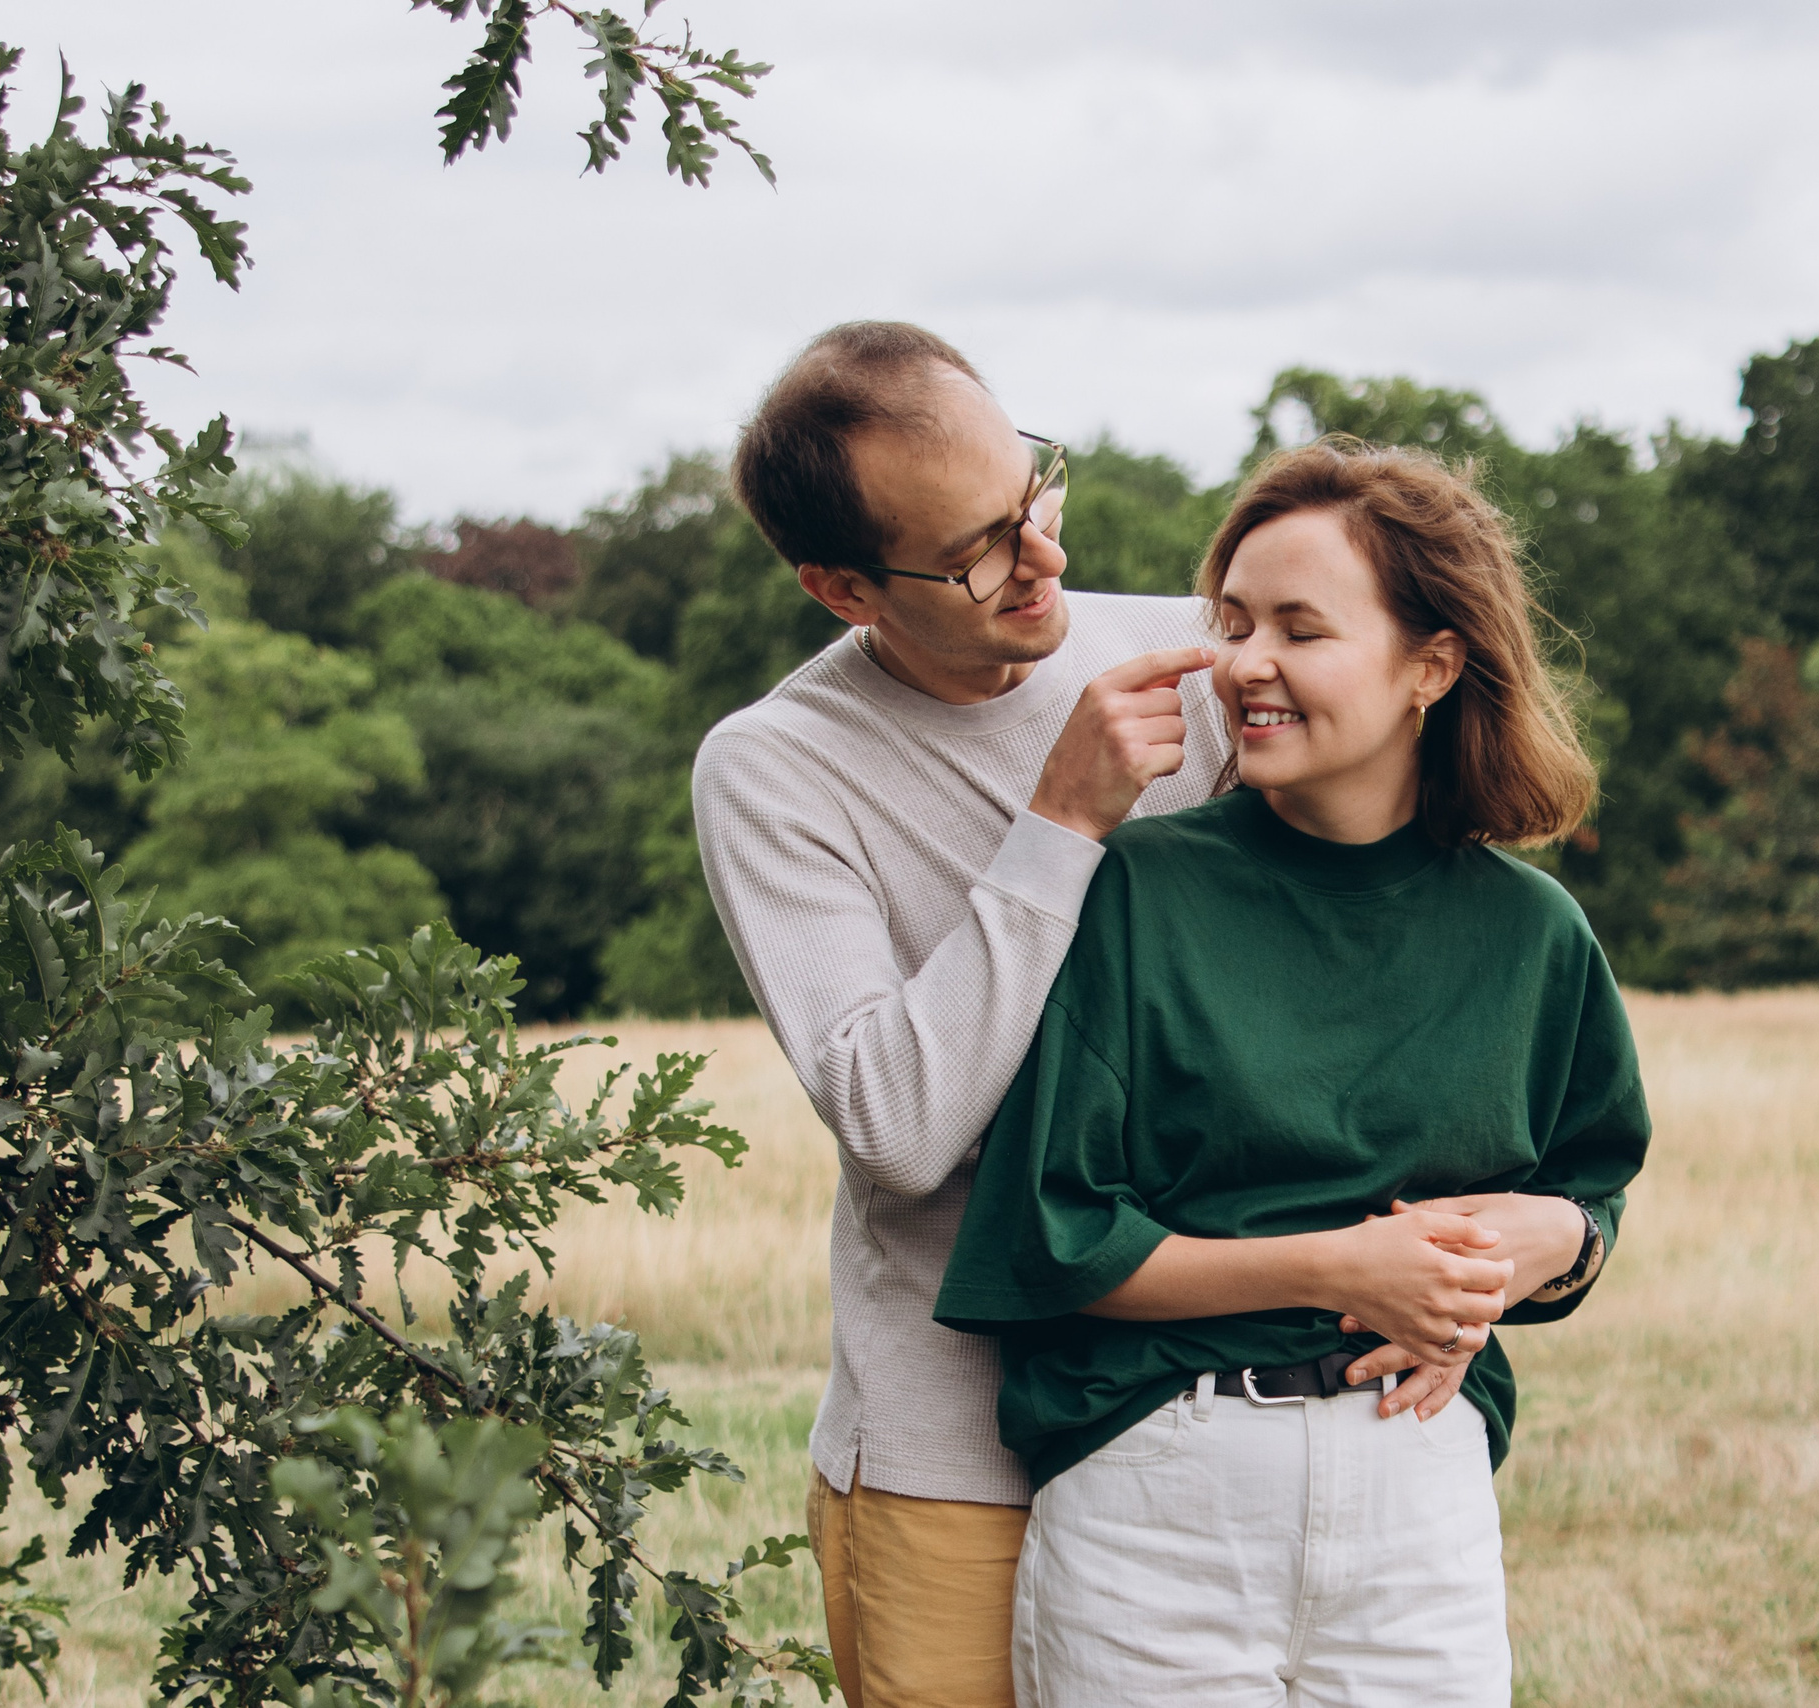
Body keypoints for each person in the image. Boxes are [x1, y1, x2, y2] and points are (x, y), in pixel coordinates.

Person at [698, 326, 1581, 1707]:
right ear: (841, 588)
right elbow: (899, 1131)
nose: (1043, 558)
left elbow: (1338, 979)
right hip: (951, 1437)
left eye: (1031, 493)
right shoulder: (775, 771)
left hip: (1211, 1414)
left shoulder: (1202, 664)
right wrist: (1060, 824)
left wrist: (1467, 1257)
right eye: (977, 550)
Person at [933, 438, 1652, 1707]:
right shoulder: (1140, 892)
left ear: (1430, 664)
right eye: (1235, 620)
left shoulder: (1534, 934)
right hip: (1160, 1496)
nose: (1242, 663)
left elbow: (1587, 1198)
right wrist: (1334, 1265)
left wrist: (1552, 1237)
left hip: (1418, 1495)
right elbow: (1050, 1237)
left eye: (1300, 629)